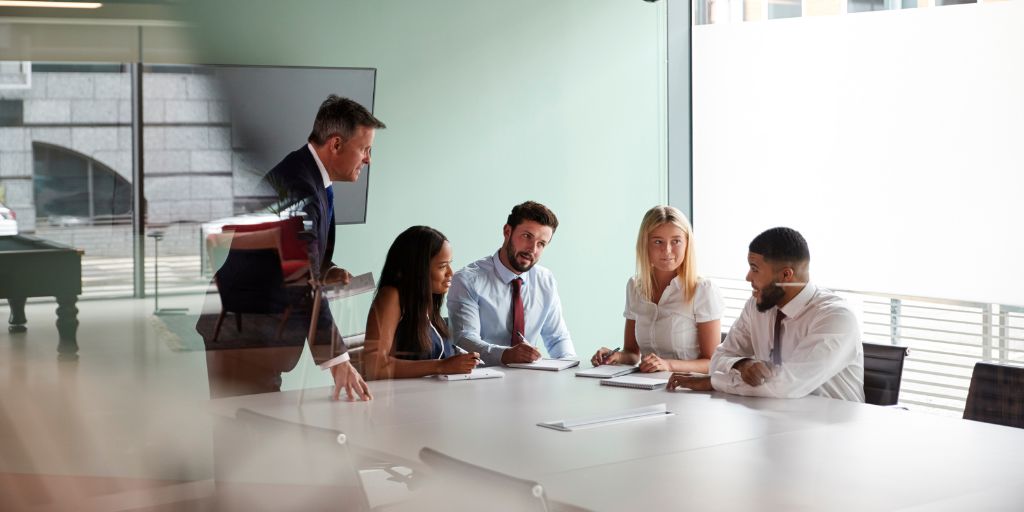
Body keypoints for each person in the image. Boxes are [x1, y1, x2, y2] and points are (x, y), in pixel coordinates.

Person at [205, 95, 384, 401]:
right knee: (245, 435)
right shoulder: (300, 188)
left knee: (251, 435)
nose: (369, 159)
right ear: (336, 144)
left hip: (252, 330)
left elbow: (295, 255)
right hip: (244, 332)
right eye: (365, 149)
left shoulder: (310, 177)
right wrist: (339, 360)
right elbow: (302, 278)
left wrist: (326, 269)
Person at [667, 227, 865, 402]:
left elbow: (785, 385)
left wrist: (715, 382)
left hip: (835, 433)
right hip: (775, 420)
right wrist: (743, 364)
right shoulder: (758, 306)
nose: (747, 277)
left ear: (786, 275)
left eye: (755, 269)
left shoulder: (835, 318)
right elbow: (718, 359)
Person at [590, 206, 723, 374]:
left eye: (676, 241)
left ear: (687, 243)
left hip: (686, 391)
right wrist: (615, 356)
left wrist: (668, 365)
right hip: (646, 387)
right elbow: (632, 353)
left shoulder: (703, 290)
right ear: (645, 244)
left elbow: (712, 362)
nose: (667, 250)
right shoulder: (635, 286)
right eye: (658, 241)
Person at [447, 201, 576, 366]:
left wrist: (571, 366)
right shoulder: (467, 280)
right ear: (507, 231)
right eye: (527, 236)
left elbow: (558, 338)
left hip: (530, 381)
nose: (532, 249)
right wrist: (506, 355)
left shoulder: (545, 280)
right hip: (481, 380)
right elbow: (464, 340)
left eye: (541, 244)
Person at [362, 226, 481, 380]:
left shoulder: (425, 303)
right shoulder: (392, 296)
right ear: (418, 269)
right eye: (442, 266)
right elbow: (375, 367)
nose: (451, 273)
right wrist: (441, 366)